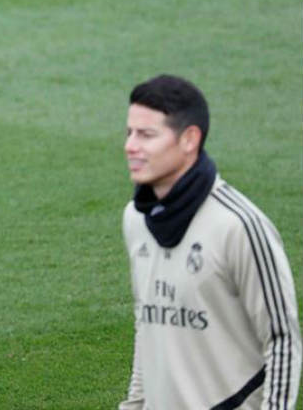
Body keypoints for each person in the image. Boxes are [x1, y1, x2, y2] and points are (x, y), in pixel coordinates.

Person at [119, 74, 300, 409]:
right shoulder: (136, 220)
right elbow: (148, 326)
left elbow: (282, 340)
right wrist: (134, 404)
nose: (131, 145)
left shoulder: (239, 226)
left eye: (146, 135)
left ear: (189, 139)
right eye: (129, 133)